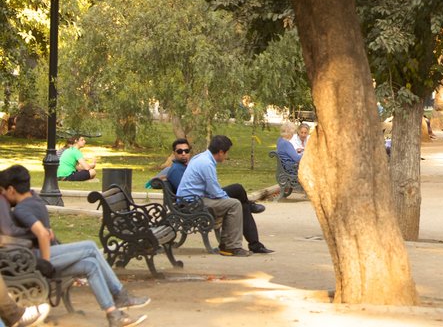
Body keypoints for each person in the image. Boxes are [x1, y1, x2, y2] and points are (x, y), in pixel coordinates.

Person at [0, 165, 150, 327]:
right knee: (90, 247)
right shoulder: (23, 206)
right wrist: (46, 261)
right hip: (33, 259)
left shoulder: (22, 203)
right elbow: (37, 234)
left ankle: (114, 314)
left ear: (11, 189)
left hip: (30, 256)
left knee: (90, 265)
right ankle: (120, 294)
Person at [175, 135, 272, 256]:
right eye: (227, 153)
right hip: (192, 203)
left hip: (195, 198)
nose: (227, 156)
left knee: (238, 191)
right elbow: (214, 192)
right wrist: (229, 199)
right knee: (235, 204)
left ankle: (249, 241)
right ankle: (230, 246)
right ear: (220, 152)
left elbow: (212, 190)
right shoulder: (206, 163)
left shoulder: (201, 157)